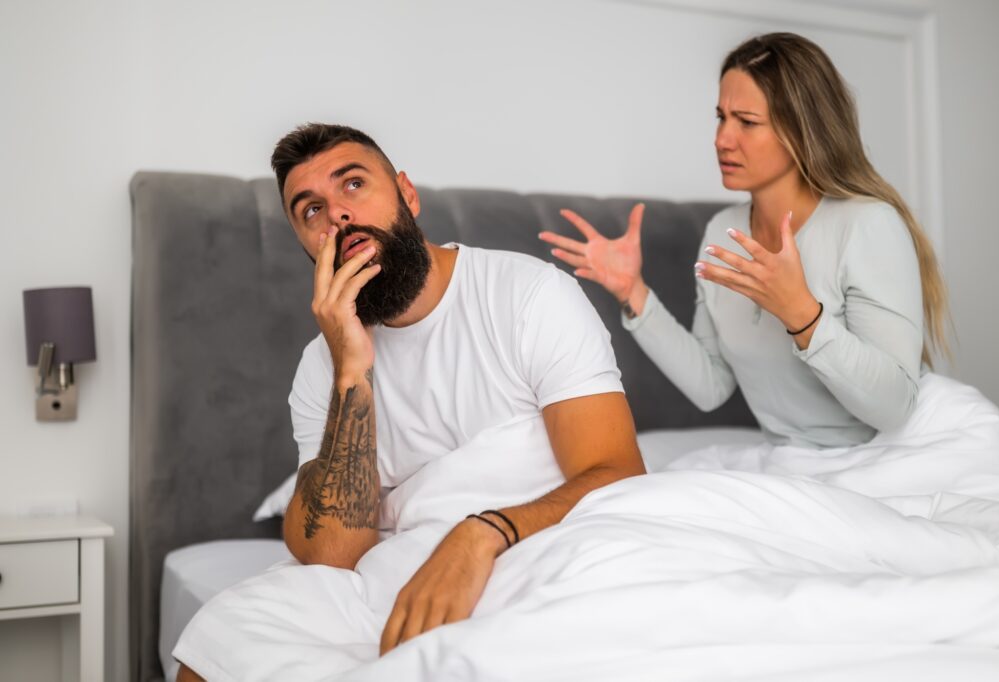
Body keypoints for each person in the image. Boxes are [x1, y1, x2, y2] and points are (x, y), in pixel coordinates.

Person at [173, 124, 646, 682]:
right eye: (311, 211)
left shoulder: (529, 296)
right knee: (220, 644)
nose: (338, 216)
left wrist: (480, 532)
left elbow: (618, 475)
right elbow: (333, 555)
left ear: (407, 193)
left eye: (353, 184)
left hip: (536, 546)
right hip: (391, 572)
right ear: (305, 244)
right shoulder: (320, 366)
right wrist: (351, 368)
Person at [540, 32, 950, 449]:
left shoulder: (868, 225)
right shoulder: (723, 230)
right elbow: (710, 386)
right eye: (721, 117)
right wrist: (634, 293)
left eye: (747, 122)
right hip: (789, 463)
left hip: (878, 458)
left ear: (803, 129)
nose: (722, 139)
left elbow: (894, 408)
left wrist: (802, 315)